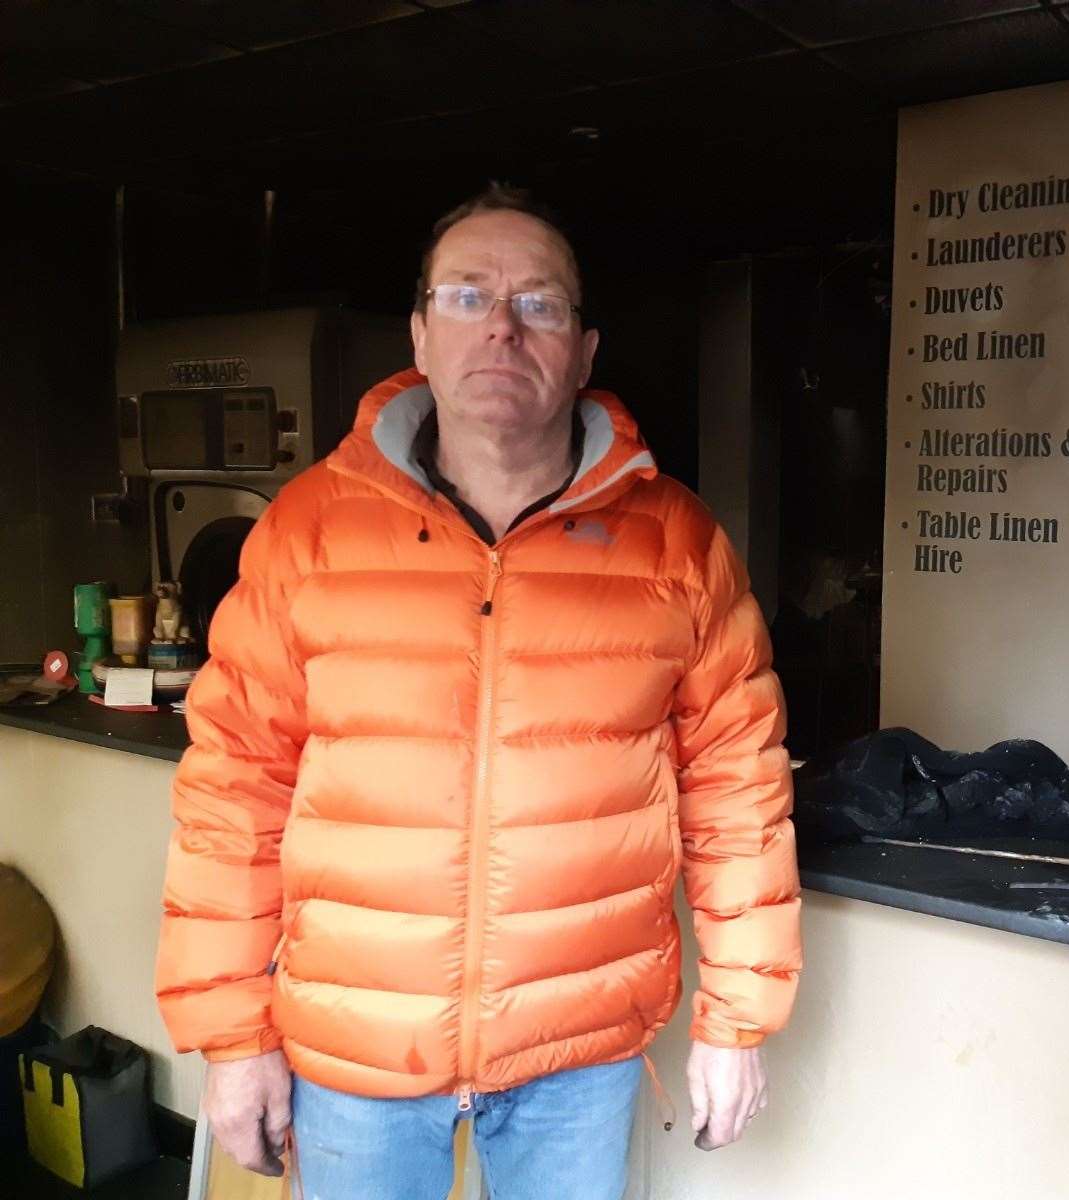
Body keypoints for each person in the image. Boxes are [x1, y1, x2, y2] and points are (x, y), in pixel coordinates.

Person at [155, 183, 802, 1199]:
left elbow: (739, 793)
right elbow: (232, 794)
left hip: (576, 1059)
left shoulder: (676, 542)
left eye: (539, 302)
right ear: (419, 333)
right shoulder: (309, 532)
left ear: (584, 350)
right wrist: (233, 1038)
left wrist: (738, 1020)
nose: (502, 327)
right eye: (467, 296)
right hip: (356, 1054)